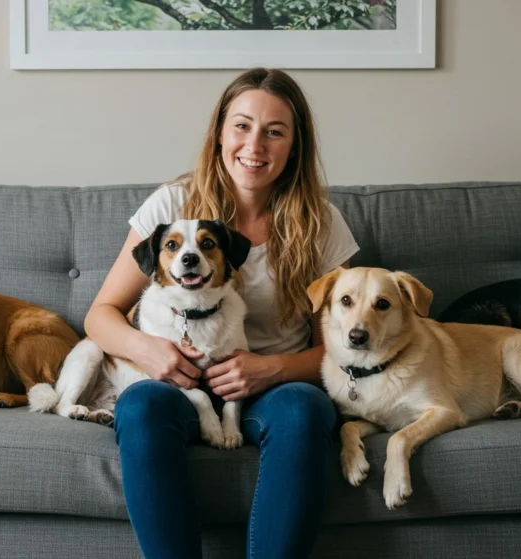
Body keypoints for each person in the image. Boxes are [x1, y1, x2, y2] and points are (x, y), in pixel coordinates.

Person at [82, 67, 360, 558]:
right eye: (242, 125)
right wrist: (150, 352)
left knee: (304, 409)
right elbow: (100, 315)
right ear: (219, 134)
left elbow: (343, 343)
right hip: (177, 382)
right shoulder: (172, 203)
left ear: (294, 145)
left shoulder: (320, 221)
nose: (255, 144)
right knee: (141, 405)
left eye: (275, 131)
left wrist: (271, 369)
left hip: (276, 386)